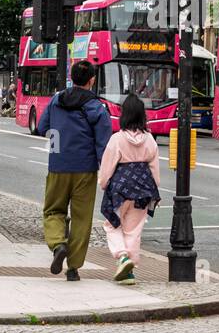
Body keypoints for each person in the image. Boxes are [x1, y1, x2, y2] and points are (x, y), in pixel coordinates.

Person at [39, 58, 112, 281]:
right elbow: (104, 142)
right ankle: (73, 268)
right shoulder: (96, 107)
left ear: (72, 78)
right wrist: (105, 171)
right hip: (85, 169)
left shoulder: (56, 100)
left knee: (53, 210)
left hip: (58, 165)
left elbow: (43, 127)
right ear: (92, 80)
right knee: (82, 218)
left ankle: (57, 244)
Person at [98, 94, 160, 283]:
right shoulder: (150, 139)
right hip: (143, 190)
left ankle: (122, 257)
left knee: (111, 224)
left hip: (120, 190)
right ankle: (129, 270)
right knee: (133, 230)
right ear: (143, 116)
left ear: (124, 115)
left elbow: (107, 167)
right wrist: (154, 189)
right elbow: (154, 169)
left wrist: (103, 183)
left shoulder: (117, 139)